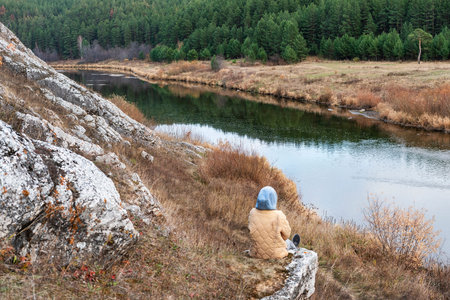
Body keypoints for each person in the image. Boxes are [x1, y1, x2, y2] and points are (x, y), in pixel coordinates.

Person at [248, 186, 300, 259]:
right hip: (275, 255)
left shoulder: (252, 213)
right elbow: (286, 235)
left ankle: (293, 245)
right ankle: (294, 246)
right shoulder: (279, 215)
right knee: (287, 241)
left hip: (255, 253)